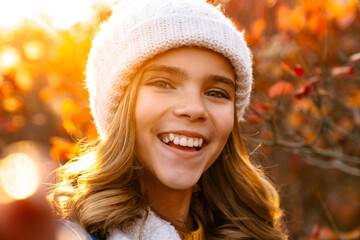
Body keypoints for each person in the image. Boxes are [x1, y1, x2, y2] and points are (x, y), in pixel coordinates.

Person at [49, 0, 288, 239]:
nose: (194, 109)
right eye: (163, 84)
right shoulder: (67, 234)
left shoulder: (254, 230)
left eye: (216, 93)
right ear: (120, 105)